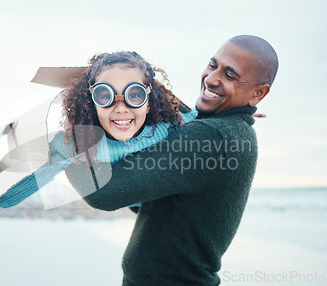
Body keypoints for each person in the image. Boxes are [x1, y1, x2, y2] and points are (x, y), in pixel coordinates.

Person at [64, 35, 278, 285]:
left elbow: (102, 191)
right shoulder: (229, 131)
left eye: (230, 75)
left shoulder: (212, 137)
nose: (211, 78)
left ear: (259, 93)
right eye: (212, 64)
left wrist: (62, 149)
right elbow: (143, 200)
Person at [0, 51, 197, 246]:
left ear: (150, 98)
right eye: (105, 95)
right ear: (90, 100)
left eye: (134, 94)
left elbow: (204, 116)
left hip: (168, 199)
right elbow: (25, 180)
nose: (121, 106)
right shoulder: (78, 143)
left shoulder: (171, 127)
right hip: (137, 204)